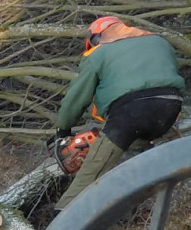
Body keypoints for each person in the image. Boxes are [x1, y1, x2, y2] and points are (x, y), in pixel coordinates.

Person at [53, 16, 185, 210]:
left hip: (128, 113)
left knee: (88, 177)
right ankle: (142, 206)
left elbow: (76, 98)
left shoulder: (98, 54)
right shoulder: (159, 42)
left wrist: (63, 129)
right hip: (170, 107)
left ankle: (62, 215)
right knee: (135, 153)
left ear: (97, 38)